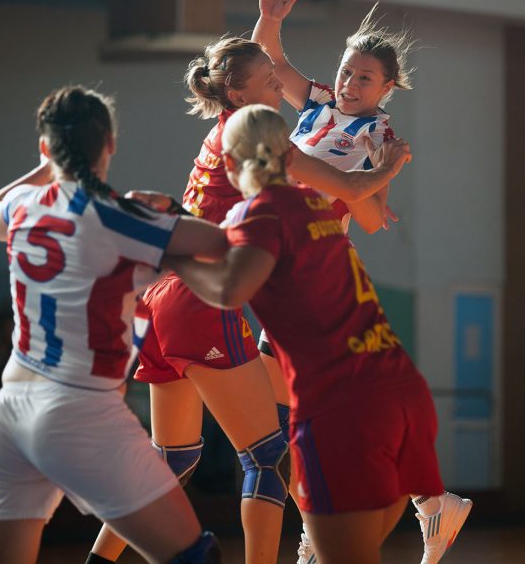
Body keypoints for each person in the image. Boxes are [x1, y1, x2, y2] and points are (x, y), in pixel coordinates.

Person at [88, 37, 413, 564]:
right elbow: (350, 191)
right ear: (240, 95)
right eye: (267, 82)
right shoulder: (258, 141)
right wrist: (390, 168)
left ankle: (97, 561)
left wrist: (272, 23)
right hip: (199, 302)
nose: (277, 86)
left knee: (170, 460)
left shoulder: (222, 131)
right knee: (266, 457)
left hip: (160, 296)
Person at [166, 104, 471, 564]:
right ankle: (425, 502)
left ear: (229, 166)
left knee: (269, 439)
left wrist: (167, 256)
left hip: (344, 409)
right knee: (272, 426)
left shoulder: (262, 216)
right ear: (292, 157)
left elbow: (228, 290)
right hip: (401, 393)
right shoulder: (313, 206)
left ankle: (356, 518)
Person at [251, 0, 472, 564]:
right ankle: (418, 502)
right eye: (348, 70)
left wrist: (387, 175)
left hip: (317, 267)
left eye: (365, 76)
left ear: (385, 88)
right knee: (294, 409)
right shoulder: (318, 102)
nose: (350, 81)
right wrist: (269, 21)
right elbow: (268, 62)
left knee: (292, 408)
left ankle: (333, 528)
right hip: (287, 262)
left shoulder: (376, 135)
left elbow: (372, 220)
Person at [0, 85, 226, 564]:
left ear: (47, 148)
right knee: (195, 557)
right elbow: (220, 245)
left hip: (6, 414)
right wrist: (172, 211)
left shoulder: (24, 208)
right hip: (78, 411)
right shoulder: (119, 216)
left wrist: (46, 164)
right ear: (110, 144)